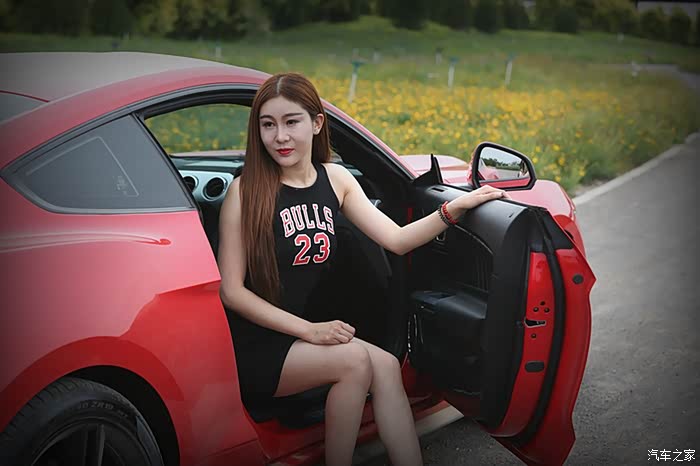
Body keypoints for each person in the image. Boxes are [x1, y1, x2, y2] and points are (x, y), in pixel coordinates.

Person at [218, 72, 509, 466]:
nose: (280, 136)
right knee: (355, 362)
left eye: (291, 122)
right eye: (268, 125)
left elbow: (397, 239)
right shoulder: (245, 191)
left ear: (316, 123)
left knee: (386, 365)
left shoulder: (335, 179)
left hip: (303, 338)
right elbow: (232, 291)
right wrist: (310, 330)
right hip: (259, 345)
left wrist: (453, 209)